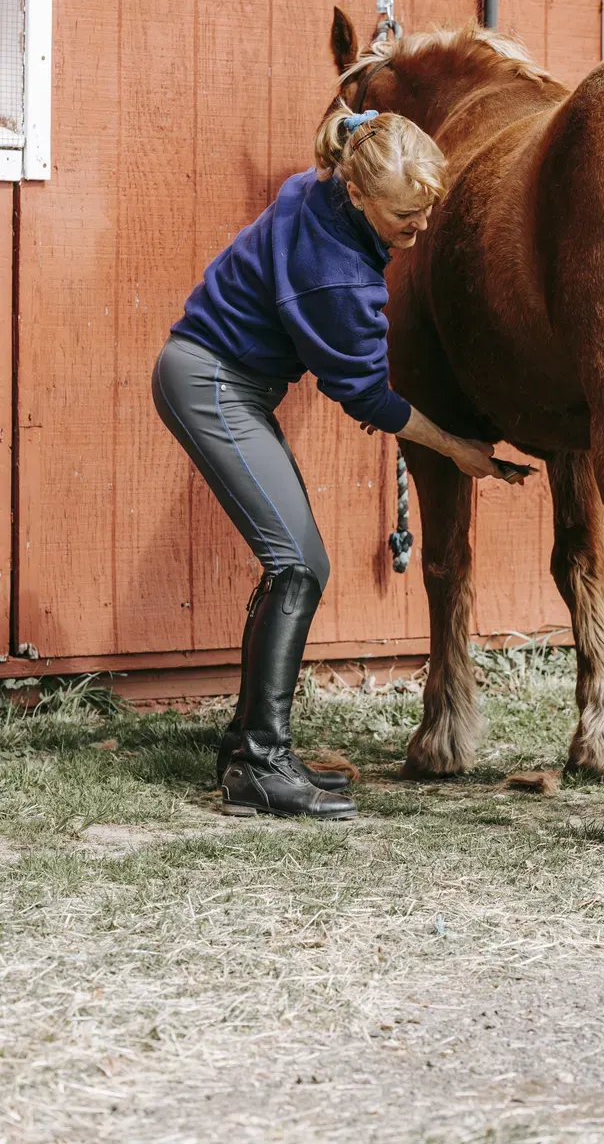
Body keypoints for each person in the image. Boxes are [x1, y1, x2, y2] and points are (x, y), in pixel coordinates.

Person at [152, 108, 502, 820]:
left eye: (429, 209)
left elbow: (356, 123)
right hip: (211, 385)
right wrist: (461, 450)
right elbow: (370, 398)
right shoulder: (334, 278)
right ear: (357, 196)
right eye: (406, 214)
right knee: (299, 563)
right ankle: (259, 763)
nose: (421, 228)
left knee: (293, 559)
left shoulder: (334, 173)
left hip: (226, 382)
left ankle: (249, 749)